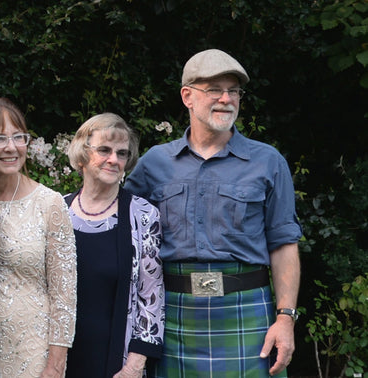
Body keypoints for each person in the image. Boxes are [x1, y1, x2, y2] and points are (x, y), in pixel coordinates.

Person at [124, 49, 301, 377]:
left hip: (248, 313)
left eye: (233, 90)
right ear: (187, 96)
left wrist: (285, 317)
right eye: (214, 89)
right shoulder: (154, 164)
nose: (226, 98)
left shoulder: (268, 162)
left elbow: (284, 243)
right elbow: (123, 233)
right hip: (174, 316)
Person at [0, 97, 77, 378]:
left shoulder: (49, 204)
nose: (11, 147)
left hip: (30, 354)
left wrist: (55, 365)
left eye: (18, 137)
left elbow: (64, 294)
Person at [62, 113, 164, 378]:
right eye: (104, 150)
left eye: (121, 153)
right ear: (82, 155)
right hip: (58, 358)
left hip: (116, 363)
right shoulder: (56, 210)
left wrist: (134, 365)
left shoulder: (143, 216)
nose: (113, 160)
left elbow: (151, 296)